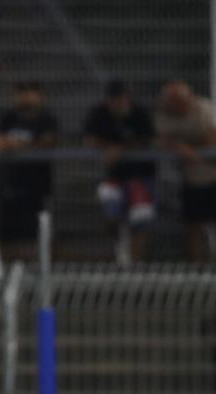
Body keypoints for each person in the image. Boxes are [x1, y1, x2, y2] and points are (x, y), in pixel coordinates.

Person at [156, 80, 216, 262]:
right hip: (191, 180)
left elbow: (211, 139)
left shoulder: (204, 108)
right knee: (194, 228)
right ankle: (200, 275)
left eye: (176, 100)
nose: (172, 105)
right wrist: (181, 148)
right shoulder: (166, 114)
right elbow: (163, 140)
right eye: (170, 101)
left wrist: (185, 148)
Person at [83, 80, 156, 263]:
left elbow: (149, 139)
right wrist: (110, 148)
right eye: (114, 99)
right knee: (111, 215)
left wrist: (121, 149)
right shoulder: (100, 114)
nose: (118, 103)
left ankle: (136, 264)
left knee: (141, 220)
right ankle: (120, 247)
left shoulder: (139, 113)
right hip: (114, 178)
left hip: (141, 177)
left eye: (122, 98)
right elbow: (89, 140)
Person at [0, 82, 59, 254]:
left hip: (38, 185)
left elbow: (47, 142)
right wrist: (22, 145)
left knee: (39, 229)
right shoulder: (8, 118)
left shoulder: (46, 119)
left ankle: (41, 266)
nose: (26, 98)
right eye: (22, 94)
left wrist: (17, 145)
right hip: (10, 184)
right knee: (9, 230)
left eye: (30, 93)